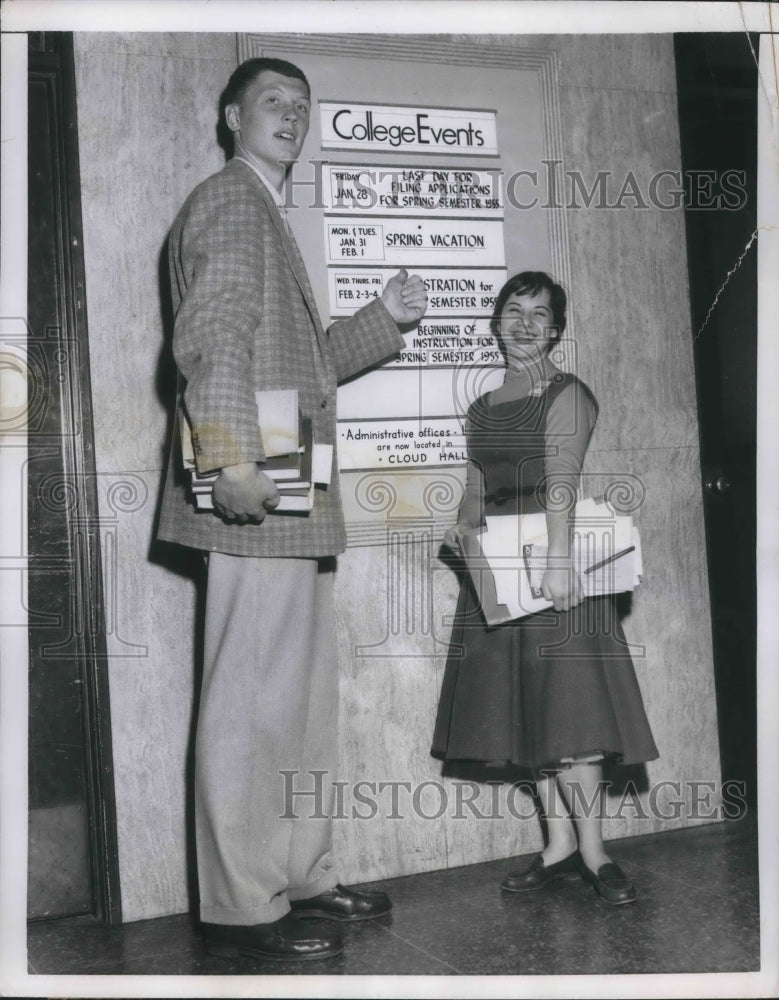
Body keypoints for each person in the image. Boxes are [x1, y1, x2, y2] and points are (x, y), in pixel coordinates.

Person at [157, 57, 427, 961]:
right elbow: (212, 337)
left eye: (303, 107)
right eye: (274, 101)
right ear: (231, 115)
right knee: (247, 701)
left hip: (290, 471)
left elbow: (302, 361)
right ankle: (242, 906)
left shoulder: (268, 212)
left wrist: (382, 318)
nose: (293, 115)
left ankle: (301, 876)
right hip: (258, 470)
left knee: (298, 702)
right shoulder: (231, 200)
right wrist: (228, 457)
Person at [432, 271, 658, 904]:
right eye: (513, 310)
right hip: (500, 571)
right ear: (497, 320)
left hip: (555, 567)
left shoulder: (568, 393)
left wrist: (560, 563)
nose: (525, 323)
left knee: (572, 713)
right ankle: (557, 845)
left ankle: (594, 851)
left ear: (556, 329)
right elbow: (478, 482)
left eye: (540, 314)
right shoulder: (482, 406)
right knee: (532, 712)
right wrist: (464, 528)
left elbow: (561, 479)